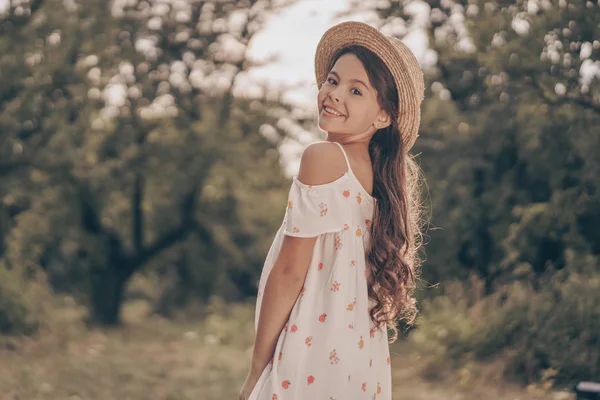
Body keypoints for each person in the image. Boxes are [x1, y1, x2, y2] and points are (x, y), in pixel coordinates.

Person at [239, 21, 426, 400]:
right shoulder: (378, 183)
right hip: (359, 363)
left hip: (311, 353)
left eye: (356, 90)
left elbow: (290, 272)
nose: (334, 94)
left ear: (382, 116)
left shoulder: (323, 158)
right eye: (332, 80)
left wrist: (258, 368)